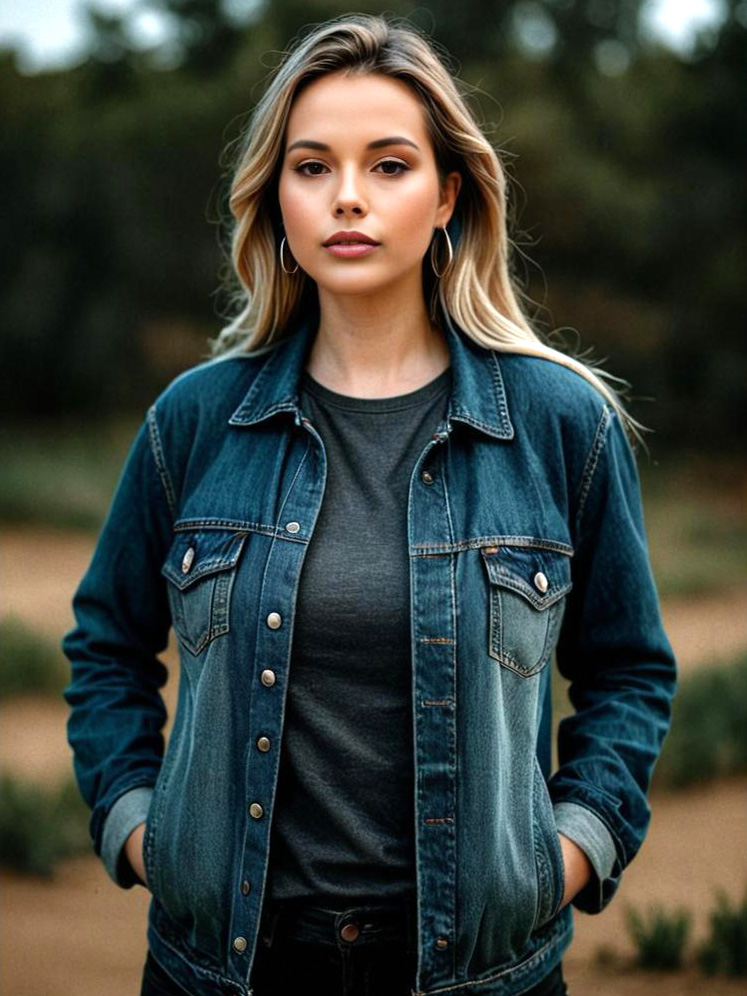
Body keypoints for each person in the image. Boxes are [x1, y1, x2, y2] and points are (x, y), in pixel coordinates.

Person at [62, 12, 676, 996]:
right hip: (225, 971)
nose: (348, 197)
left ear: (449, 197)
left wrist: (563, 856)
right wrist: (144, 836)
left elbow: (629, 674)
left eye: (389, 166)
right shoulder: (196, 422)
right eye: (312, 167)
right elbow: (106, 647)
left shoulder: (563, 425)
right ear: (275, 202)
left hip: (479, 974)